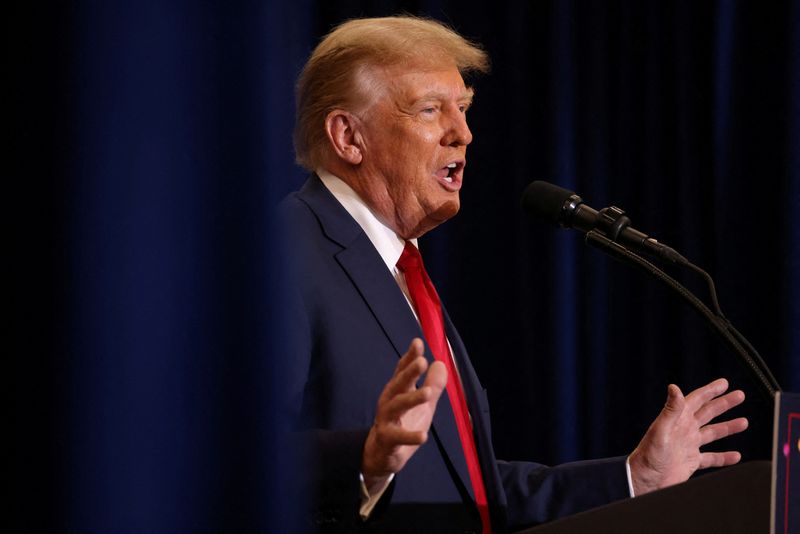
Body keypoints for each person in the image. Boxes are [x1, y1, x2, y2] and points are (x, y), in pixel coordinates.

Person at [280, 15, 748, 533]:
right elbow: (226, 458)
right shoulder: (287, 253)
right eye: (430, 110)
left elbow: (472, 492)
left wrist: (633, 478)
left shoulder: (400, 271)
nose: (463, 134)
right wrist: (364, 462)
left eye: (463, 109)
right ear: (348, 136)